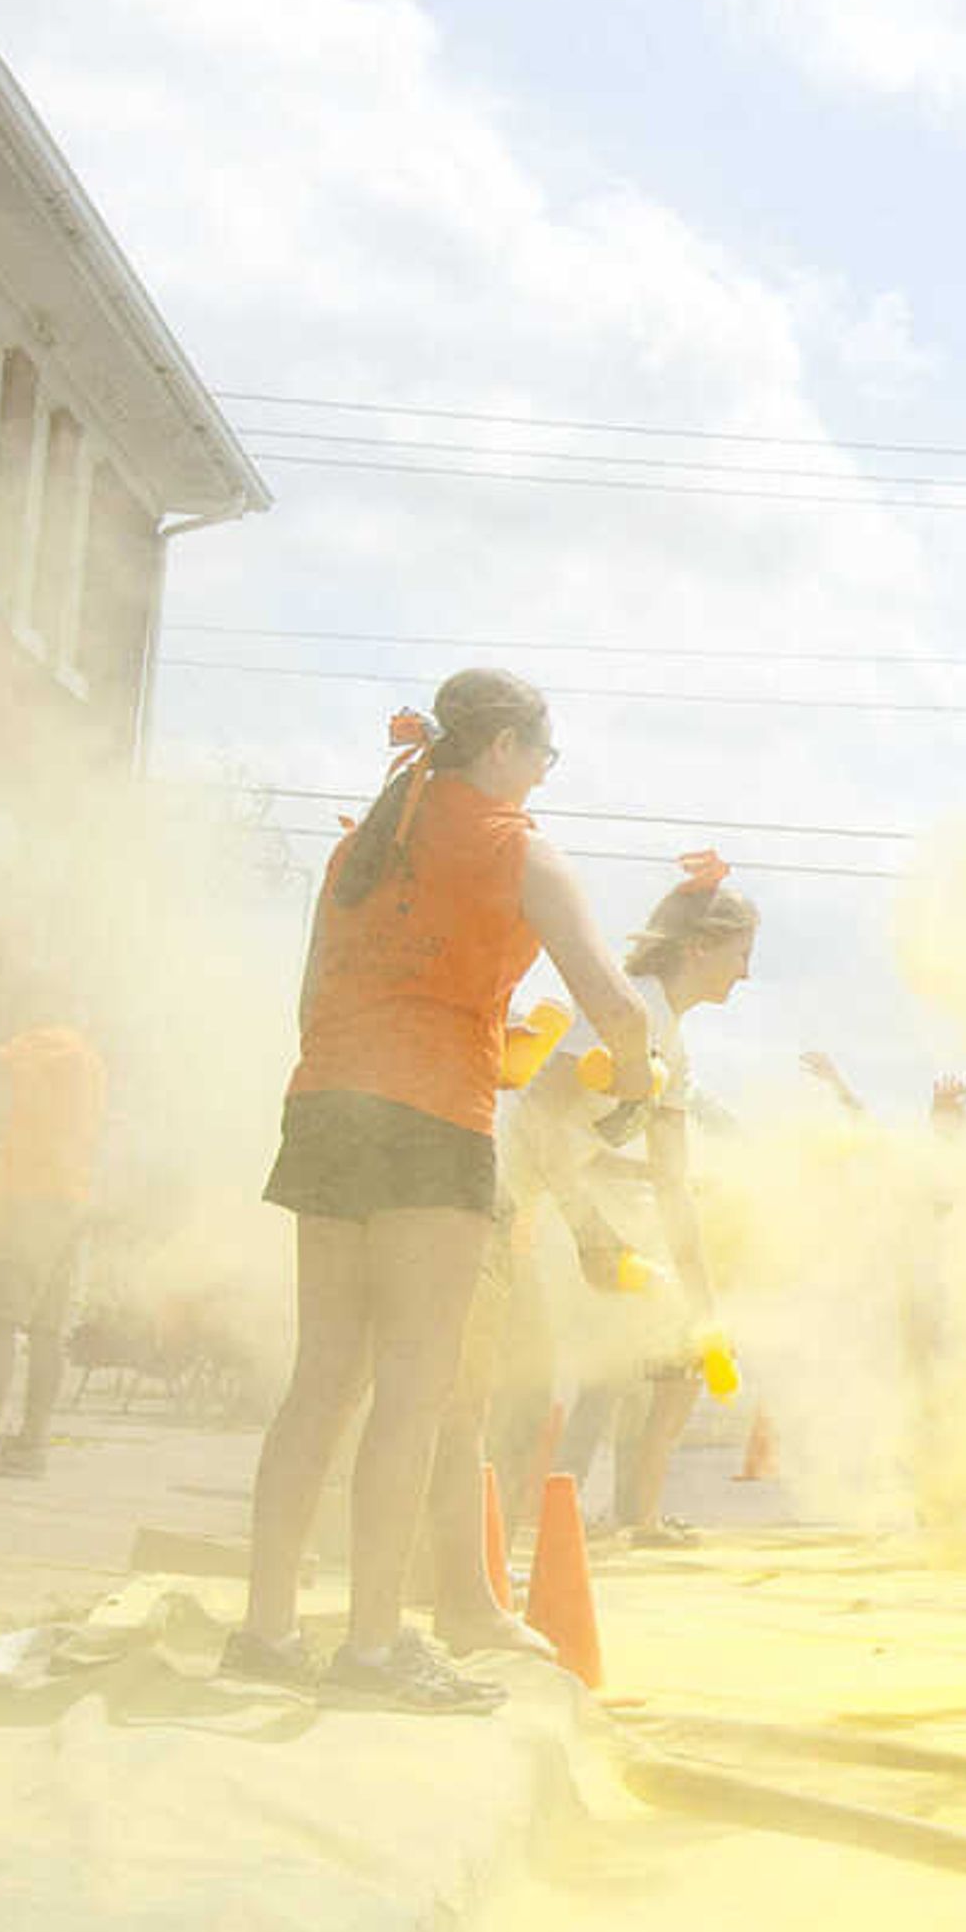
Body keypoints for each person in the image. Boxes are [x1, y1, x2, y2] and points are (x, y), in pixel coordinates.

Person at [233, 673, 653, 1711]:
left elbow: (309, 997)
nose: (547, 775)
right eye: (546, 755)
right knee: (414, 1391)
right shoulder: (520, 848)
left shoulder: (360, 846)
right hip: (430, 1122)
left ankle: (267, 1629)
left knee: (321, 1377)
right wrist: (638, 1088)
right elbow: (615, 1005)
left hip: (327, 1104)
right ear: (506, 746)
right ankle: (375, 1646)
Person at [534, 854, 758, 1546]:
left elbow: (672, 1185)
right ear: (698, 947)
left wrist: (705, 1303)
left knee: (677, 1343)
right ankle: (535, 1531)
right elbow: (535, 1122)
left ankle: (636, 1518)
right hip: (524, 1207)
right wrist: (587, 1230)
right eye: (741, 954)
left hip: (581, 1214)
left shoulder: (674, 1046)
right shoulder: (630, 1011)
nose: (746, 972)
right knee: (528, 1388)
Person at [0, 995, 107, 1475]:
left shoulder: (40, 1043)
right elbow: (52, 1135)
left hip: (25, 1202)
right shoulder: (90, 1059)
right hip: (70, 1202)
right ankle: (31, 1447)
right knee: (47, 1330)